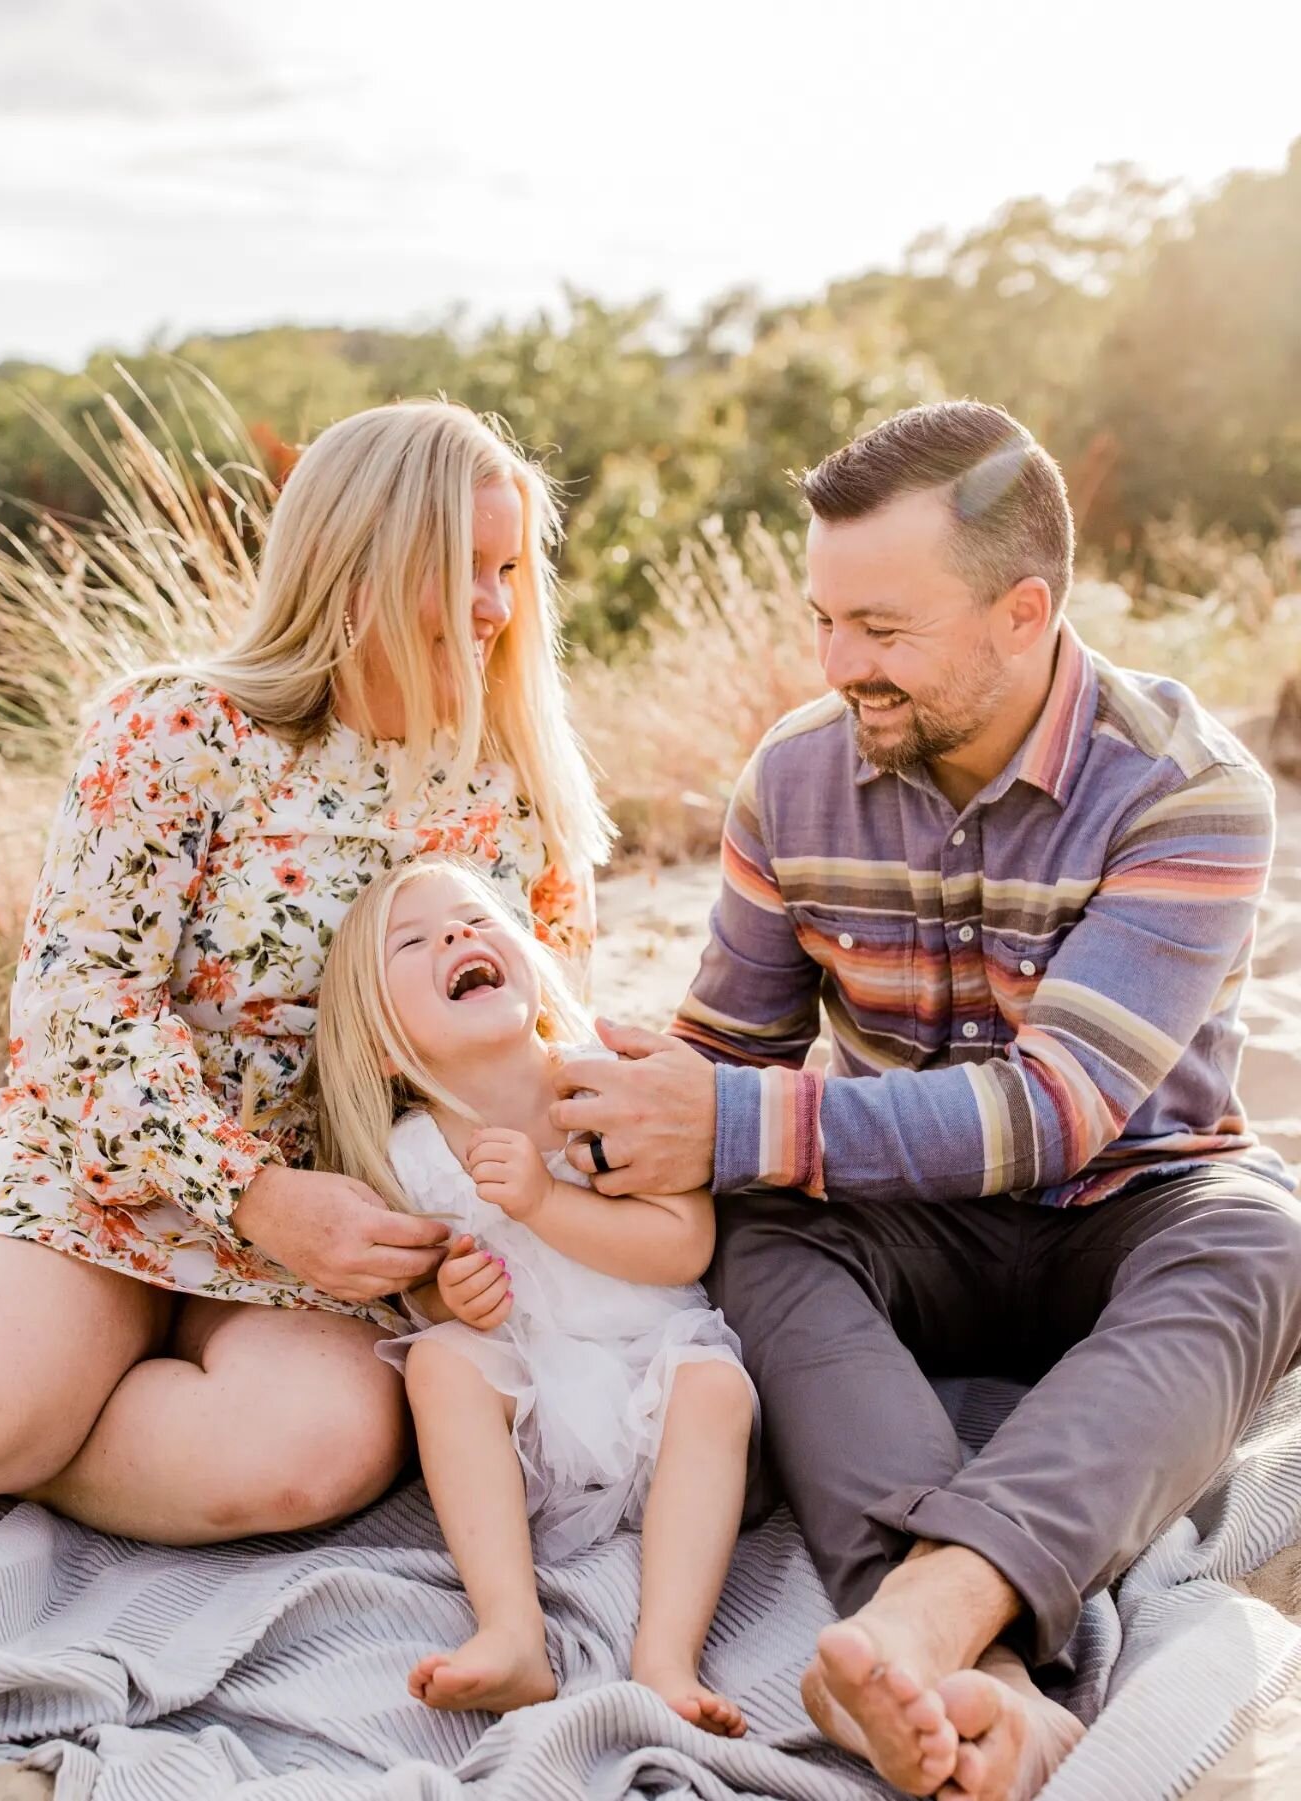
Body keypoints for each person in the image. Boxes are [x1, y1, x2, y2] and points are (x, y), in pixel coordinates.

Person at [549, 401, 1301, 1800]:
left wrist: (724, 1117)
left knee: (1269, 1237)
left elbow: (1054, 1113)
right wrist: (622, 1082)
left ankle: (923, 1614)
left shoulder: (1190, 790)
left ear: (1025, 612)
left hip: (1133, 1197)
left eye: (883, 632)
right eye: (825, 620)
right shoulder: (793, 776)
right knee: (764, 1227)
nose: (840, 666)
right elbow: (735, 1054)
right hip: (904, 1222)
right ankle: (989, 1680)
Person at [0, 399, 608, 1547]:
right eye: (460, 566)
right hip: (122, 1169)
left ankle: (42, 1409)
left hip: (344, 1220)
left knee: (308, 1458)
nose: (496, 606)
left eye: (509, 568)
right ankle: (7, 1375)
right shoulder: (177, 729)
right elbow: (79, 1005)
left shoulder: (512, 790)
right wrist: (253, 1192)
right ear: (353, 560)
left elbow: (544, 1029)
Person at [308, 856, 758, 1731]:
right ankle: (512, 1631)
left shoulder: (600, 1086)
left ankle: (666, 1657)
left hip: (652, 1371)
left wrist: (548, 1202)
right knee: (438, 1364)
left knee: (718, 1387)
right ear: (387, 1042)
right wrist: (452, 1300)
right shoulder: (414, 1153)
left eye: (477, 918)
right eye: (416, 939)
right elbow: (425, 1298)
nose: (456, 935)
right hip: (538, 1408)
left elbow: (684, 1241)